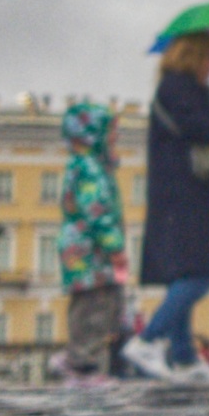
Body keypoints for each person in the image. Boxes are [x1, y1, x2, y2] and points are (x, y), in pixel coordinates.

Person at [121, 30, 209, 378]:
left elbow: (198, 126)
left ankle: (184, 359)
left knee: (186, 273)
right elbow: (198, 127)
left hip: (183, 196)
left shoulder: (181, 89)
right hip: (188, 197)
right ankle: (148, 339)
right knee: (205, 271)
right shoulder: (180, 89)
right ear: (194, 56)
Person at [56, 102, 127, 377]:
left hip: (84, 252)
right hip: (91, 253)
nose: (115, 137)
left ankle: (81, 361)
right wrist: (115, 246)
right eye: (110, 132)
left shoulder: (86, 166)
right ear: (92, 133)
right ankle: (82, 364)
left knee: (95, 306)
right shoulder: (90, 168)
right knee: (94, 309)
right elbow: (96, 210)